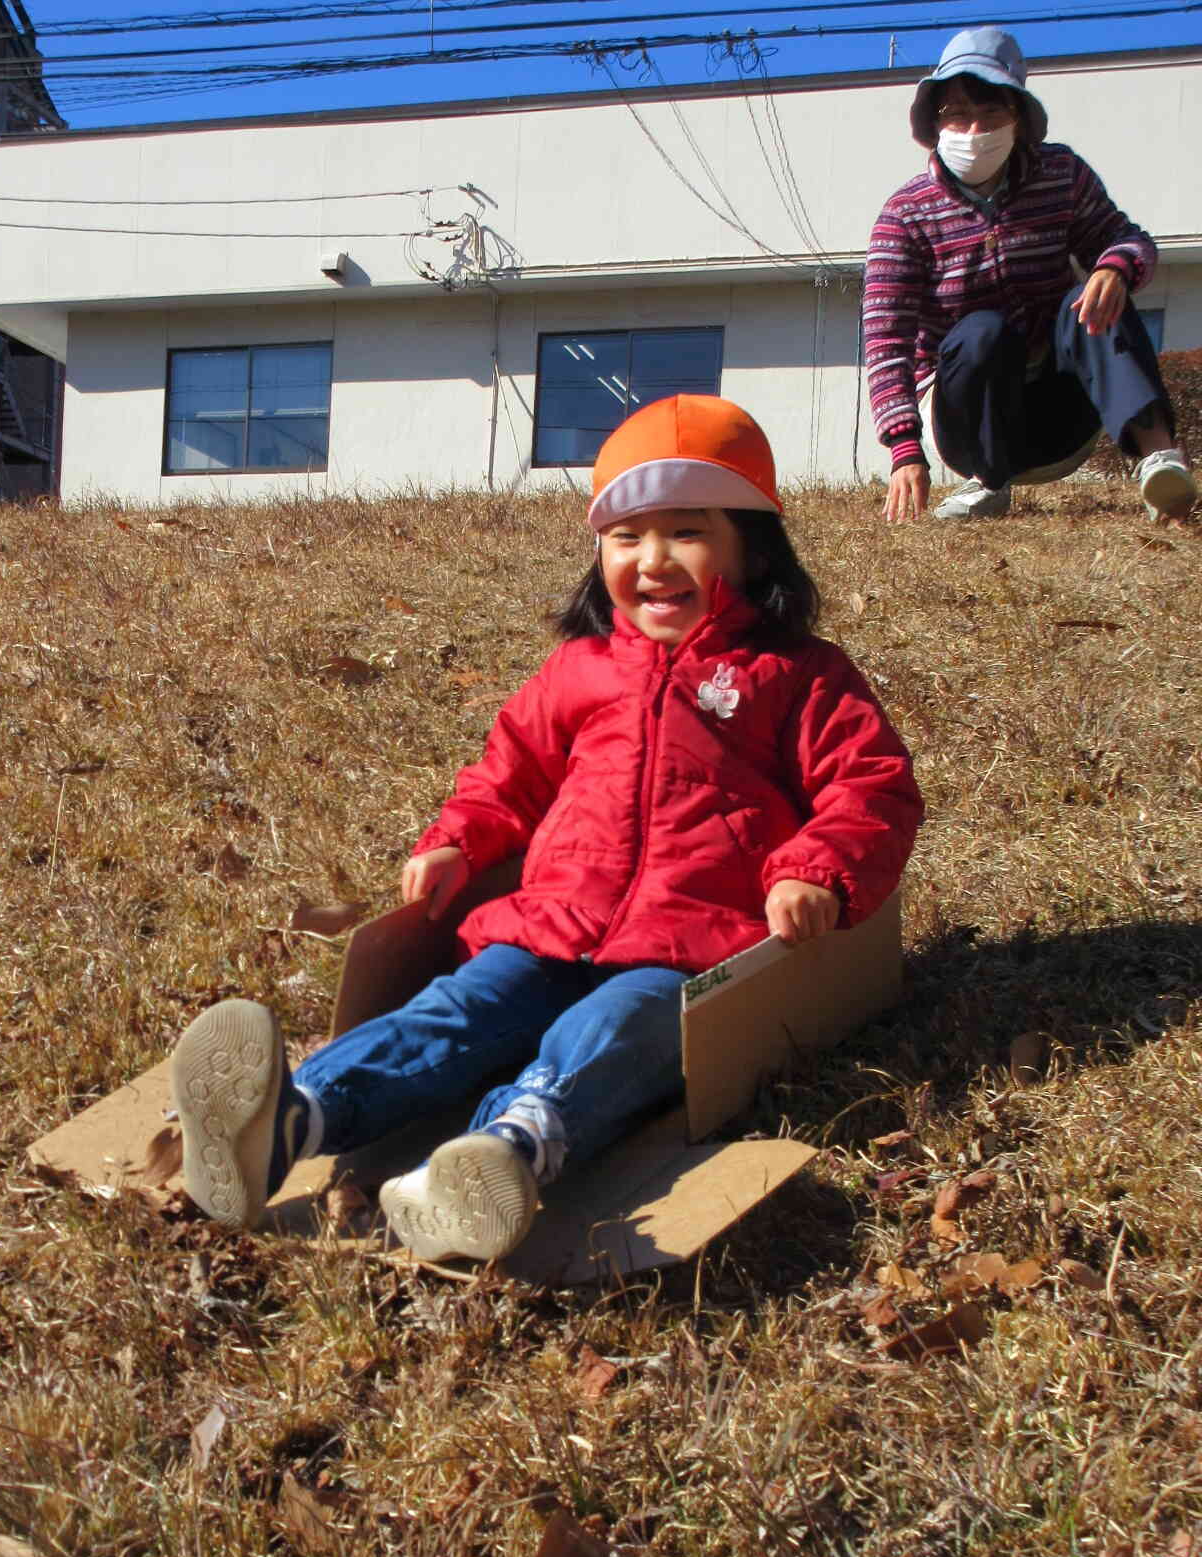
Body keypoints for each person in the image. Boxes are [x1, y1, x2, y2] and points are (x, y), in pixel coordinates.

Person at [169, 394, 923, 1265]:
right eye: (627, 537)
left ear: (752, 547)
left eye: (687, 531)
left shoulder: (795, 675)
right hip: (550, 922)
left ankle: (510, 1152)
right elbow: (510, 771)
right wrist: (461, 837)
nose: (653, 560)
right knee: (456, 1012)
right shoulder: (580, 669)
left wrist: (815, 868)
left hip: (686, 944)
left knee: (613, 1034)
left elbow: (871, 787)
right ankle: (289, 1118)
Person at [865, 25, 1196, 525]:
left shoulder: (1062, 174)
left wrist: (1115, 268)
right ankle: (989, 485)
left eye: (991, 113)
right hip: (969, 421)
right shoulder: (905, 215)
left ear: (1018, 118)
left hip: (1062, 414)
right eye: (957, 114)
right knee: (982, 331)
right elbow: (885, 340)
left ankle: (1159, 458)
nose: (974, 131)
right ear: (934, 124)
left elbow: (1129, 240)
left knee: (1090, 291)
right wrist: (904, 449)